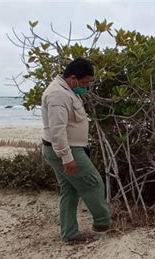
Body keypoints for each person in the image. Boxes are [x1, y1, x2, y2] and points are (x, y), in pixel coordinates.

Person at [41, 58, 112, 244]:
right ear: (73, 78)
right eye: (85, 82)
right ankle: (103, 224)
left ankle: (69, 234)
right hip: (67, 150)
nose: (86, 87)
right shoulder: (58, 95)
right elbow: (57, 130)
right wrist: (67, 157)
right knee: (93, 182)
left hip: (66, 148)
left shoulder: (67, 91)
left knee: (70, 191)